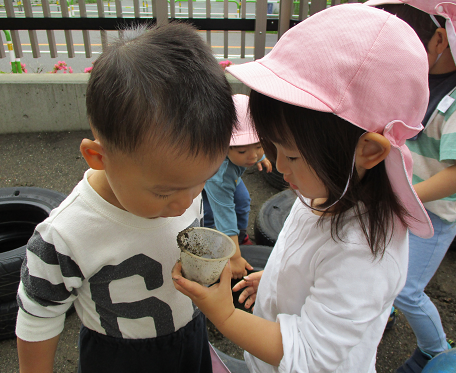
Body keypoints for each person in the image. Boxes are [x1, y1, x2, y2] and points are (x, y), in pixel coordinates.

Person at [171, 4, 435, 372]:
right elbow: (308, 260)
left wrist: (225, 316)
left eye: (291, 156)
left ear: (369, 150)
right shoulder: (330, 185)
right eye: (273, 148)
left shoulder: (365, 255)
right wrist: (280, 281)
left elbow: (309, 355)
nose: (278, 167)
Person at [15, 22, 237, 373]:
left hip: (189, 337)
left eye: (201, 182)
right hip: (118, 357)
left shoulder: (181, 183)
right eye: (164, 192)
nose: (185, 203)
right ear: (99, 157)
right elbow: (38, 317)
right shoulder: (65, 235)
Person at [363, 1, 456, 372]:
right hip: (406, 199)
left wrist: (406, 196)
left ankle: (436, 349)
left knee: (407, 289)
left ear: (438, 38)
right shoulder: (421, 79)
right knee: (382, 265)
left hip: (434, 214)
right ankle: (381, 314)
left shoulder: (452, 100)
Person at [203, 94, 272, 279]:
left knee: (242, 200)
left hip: (231, 177)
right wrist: (234, 257)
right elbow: (224, 213)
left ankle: (240, 237)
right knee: (212, 216)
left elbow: (252, 150)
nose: (252, 157)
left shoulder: (249, 155)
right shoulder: (219, 175)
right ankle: (214, 246)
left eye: (258, 146)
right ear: (223, 145)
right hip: (207, 182)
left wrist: (262, 157)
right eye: (242, 150)